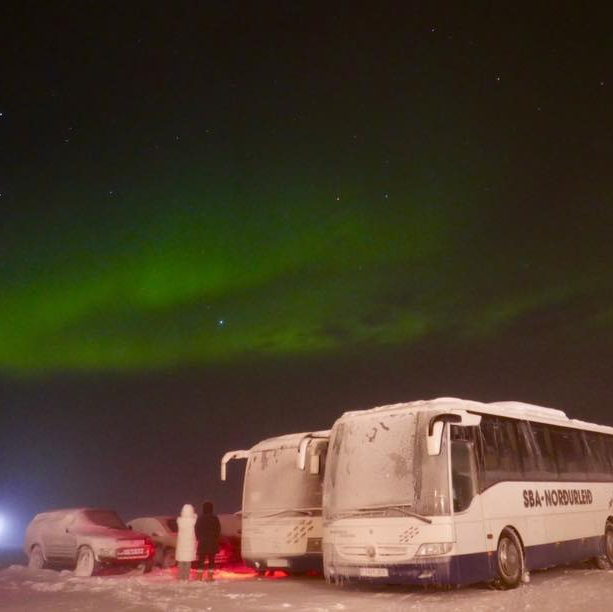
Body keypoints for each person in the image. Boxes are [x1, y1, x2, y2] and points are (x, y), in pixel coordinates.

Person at [194, 501, 221, 580]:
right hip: (212, 542)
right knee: (211, 560)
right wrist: (215, 538)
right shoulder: (214, 518)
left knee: (201, 560)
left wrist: (199, 538)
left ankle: (199, 577)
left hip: (203, 542)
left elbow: (196, 529)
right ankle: (210, 577)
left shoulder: (200, 518)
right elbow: (218, 530)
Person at [175, 504, 197, 580]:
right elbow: (195, 517)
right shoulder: (192, 521)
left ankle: (180, 578)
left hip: (181, 546)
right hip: (189, 545)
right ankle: (185, 578)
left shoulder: (179, 520)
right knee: (187, 563)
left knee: (181, 562)